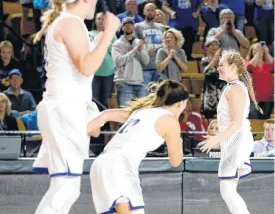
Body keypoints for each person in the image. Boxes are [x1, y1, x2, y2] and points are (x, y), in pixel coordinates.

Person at [31, 0, 120, 214]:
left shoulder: (67, 22)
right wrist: (109, 34)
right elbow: (87, 66)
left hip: (65, 108)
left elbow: (81, 68)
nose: (96, 0)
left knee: (64, 188)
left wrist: (100, 40)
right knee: (65, 189)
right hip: (64, 109)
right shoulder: (70, 22)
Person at [88, 79, 188, 214]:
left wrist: (81, 131)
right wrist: (179, 143)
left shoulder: (141, 112)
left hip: (100, 164)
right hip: (120, 165)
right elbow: (176, 161)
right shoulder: (170, 121)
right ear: (181, 102)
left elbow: (106, 114)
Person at [199, 51, 262, 214]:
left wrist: (216, 139)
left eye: (221, 65)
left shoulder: (235, 89)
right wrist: (220, 139)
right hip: (233, 140)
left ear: (233, 67)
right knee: (228, 190)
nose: (218, 68)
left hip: (238, 140)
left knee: (227, 190)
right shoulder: (231, 87)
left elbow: (237, 123)